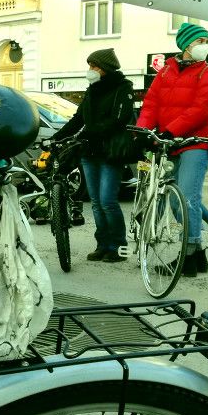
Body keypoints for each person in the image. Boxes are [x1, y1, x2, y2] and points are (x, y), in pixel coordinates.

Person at [136, 22, 208, 276]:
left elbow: (203, 109)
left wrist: (171, 130)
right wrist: (143, 131)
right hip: (169, 143)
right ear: (185, 45)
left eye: (207, 42)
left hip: (195, 142)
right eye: (199, 41)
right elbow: (151, 104)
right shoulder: (165, 72)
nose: (204, 46)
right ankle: (199, 254)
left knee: (187, 198)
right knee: (174, 200)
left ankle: (189, 256)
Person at [49, 48, 133, 262]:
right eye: (89, 66)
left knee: (107, 201)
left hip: (111, 151)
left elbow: (120, 119)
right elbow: (78, 119)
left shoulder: (122, 87)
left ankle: (118, 246)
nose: (91, 70)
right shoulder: (92, 90)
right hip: (90, 151)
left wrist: (90, 132)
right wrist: (56, 137)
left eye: (94, 66)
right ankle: (102, 244)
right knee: (95, 202)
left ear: (105, 68)